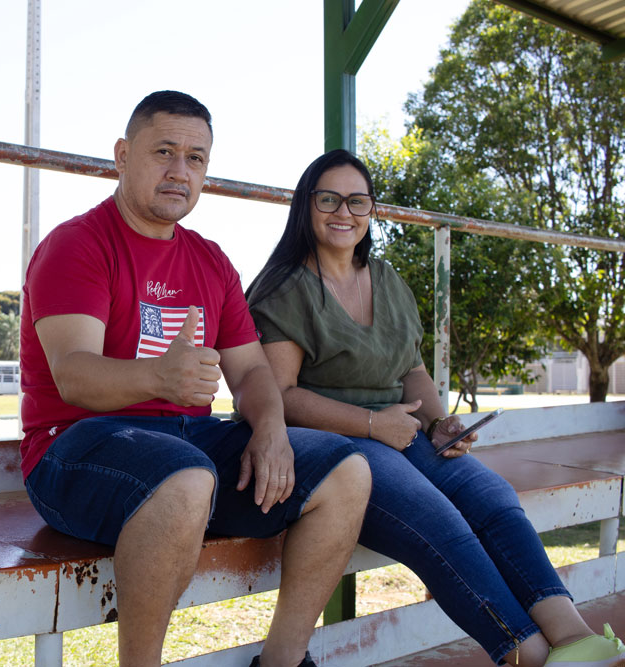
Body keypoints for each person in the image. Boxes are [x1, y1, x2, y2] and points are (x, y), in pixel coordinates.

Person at [19, 92, 372, 667]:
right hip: (75, 449)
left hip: (188, 447)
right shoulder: (77, 244)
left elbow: (254, 370)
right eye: (164, 152)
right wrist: (160, 374)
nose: (180, 171)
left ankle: (283, 660)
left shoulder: (210, 260)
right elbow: (73, 378)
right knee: (185, 479)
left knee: (347, 471)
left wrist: (270, 430)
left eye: (196, 158)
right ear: (123, 155)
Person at [244, 148, 625, 667]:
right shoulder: (285, 288)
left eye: (358, 201)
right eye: (329, 198)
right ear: (306, 206)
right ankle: (529, 655)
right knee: (439, 519)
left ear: (371, 210)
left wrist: (439, 420)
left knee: (489, 492)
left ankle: (575, 637)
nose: (344, 213)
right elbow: (281, 397)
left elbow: (411, 371)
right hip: (338, 446)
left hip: (402, 434)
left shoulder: (386, 279)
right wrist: (374, 424)